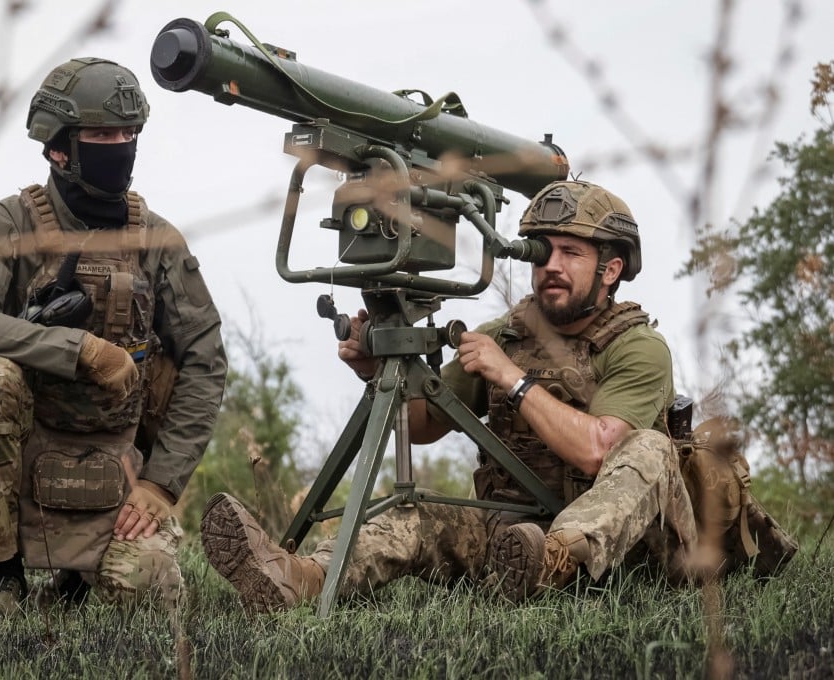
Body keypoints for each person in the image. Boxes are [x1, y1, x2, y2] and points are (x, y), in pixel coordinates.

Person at [200, 179, 699, 612]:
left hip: (633, 551)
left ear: (610, 271)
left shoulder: (638, 347)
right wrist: (377, 372)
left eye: (572, 254)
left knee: (649, 447)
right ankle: (296, 580)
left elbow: (598, 449)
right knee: (412, 514)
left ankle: (554, 559)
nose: (552, 265)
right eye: (543, 250)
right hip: (516, 537)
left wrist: (512, 380)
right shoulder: (506, 335)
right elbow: (424, 425)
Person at [0, 57, 227, 617]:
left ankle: (76, 579)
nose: (119, 146)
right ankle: (2, 577)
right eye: (101, 134)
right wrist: (82, 351)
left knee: (150, 594)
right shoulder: (7, 226)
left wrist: (161, 485)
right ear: (57, 147)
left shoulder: (158, 241)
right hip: (27, 450)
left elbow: (205, 361)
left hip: (118, 468)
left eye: (129, 134)